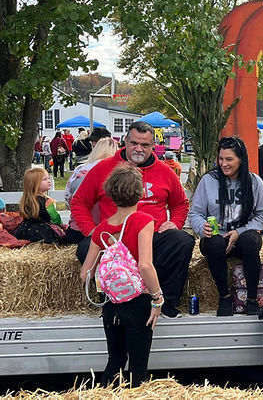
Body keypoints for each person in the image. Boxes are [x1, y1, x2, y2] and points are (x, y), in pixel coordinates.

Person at [71, 121, 195, 319]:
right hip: (113, 238)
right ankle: (111, 298)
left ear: (153, 146)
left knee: (182, 241)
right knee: (86, 248)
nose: (139, 149)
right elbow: (79, 202)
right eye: (134, 143)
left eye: (145, 145)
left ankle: (167, 301)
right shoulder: (104, 168)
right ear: (125, 142)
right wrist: (90, 230)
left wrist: (176, 223)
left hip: (151, 235)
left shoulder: (165, 171)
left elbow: (180, 203)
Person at [80, 164, 162, 387]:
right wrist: (158, 298)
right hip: (138, 303)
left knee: (114, 360)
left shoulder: (102, 228)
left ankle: (104, 392)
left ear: (110, 193)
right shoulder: (143, 221)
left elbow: (85, 273)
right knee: (137, 365)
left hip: (111, 305)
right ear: (141, 193)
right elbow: (145, 265)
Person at [189, 136, 263, 316]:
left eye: (229, 159)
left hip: (242, 238)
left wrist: (239, 232)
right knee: (215, 243)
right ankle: (224, 297)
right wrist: (202, 226)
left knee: (250, 240)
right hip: (216, 240)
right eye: (221, 159)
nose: (223, 163)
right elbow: (195, 213)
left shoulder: (254, 181)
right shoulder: (208, 181)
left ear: (240, 159)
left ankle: (251, 298)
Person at [64, 138, 119, 243]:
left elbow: (67, 199)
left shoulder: (80, 169)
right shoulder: (116, 171)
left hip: (77, 228)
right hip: (105, 231)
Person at [13, 168, 65, 243]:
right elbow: (55, 218)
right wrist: (61, 226)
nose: (49, 181)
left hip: (27, 230)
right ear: (34, 183)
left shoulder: (26, 200)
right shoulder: (47, 201)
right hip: (44, 230)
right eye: (45, 179)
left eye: (48, 178)